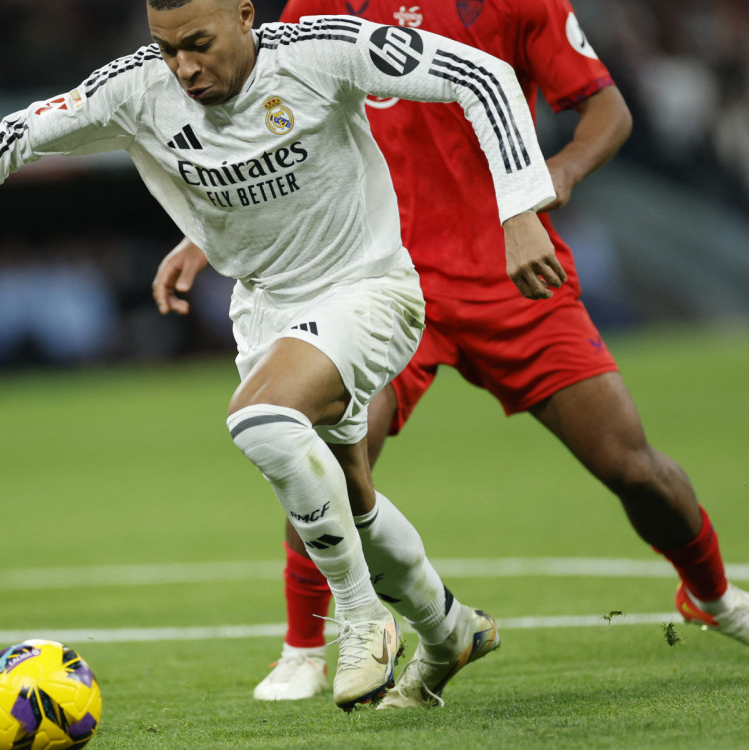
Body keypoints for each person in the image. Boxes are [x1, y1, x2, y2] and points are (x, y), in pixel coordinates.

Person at [0, 0, 564, 710]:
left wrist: (519, 207)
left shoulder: (320, 51)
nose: (184, 67)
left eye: (198, 44)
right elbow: (23, 129)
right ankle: (449, 630)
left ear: (243, 17)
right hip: (265, 310)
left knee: (261, 418)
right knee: (350, 497)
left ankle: (362, 619)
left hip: (369, 289)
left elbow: (481, 76)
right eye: (167, 48)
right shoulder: (138, 87)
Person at [152, 0, 749, 710]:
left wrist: (551, 179)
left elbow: (607, 110)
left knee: (631, 465)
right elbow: (266, 125)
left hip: (510, 268)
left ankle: (712, 594)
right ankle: (305, 648)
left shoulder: (517, 3)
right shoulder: (319, 8)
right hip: (374, 277)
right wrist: (213, 234)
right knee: (325, 442)